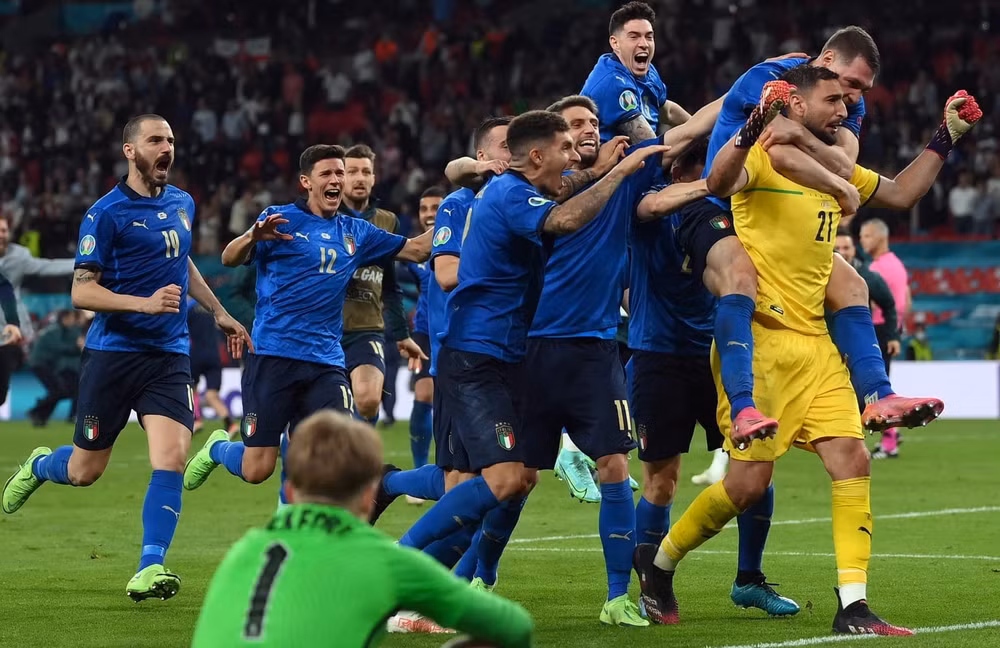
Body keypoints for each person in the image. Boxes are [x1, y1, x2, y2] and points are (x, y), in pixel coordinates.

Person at [633, 69, 980, 634]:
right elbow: (719, 180)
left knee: (853, 460)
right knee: (746, 487)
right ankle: (661, 563)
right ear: (794, 101)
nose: (844, 109)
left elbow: (902, 192)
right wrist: (752, 126)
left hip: (816, 346)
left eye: (847, 100)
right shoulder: (763, 156)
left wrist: (945, 137)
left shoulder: (830, 165)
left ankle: (853, 605)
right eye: (833, 99)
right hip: (762, 344)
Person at [396, 111, 666, 582]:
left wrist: (601, 168)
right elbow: (564, 218)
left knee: (515, 478)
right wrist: (620, 172)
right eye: (565, 147)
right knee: (493, 480)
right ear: (537, 156)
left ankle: (433, 572)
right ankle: (403, 554)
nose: (573, 156)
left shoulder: (520, 189)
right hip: (475, 355)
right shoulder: (507, 194)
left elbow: (563, 188)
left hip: (506, 357)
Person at [2, 114, 251, 601]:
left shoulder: (182, 203)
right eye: (156, 140)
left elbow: (182, 263)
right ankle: (40, 466)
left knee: (171, 458)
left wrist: (218, 311)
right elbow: (81, 292)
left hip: (168, 355)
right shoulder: (105, 214)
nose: (167, 147)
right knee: (85, 471)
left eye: (171, 140)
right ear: (130, 151)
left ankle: (150, 566)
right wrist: (143, 303)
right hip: (113, 355)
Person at [683, 25, 942, 480]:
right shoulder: (771, 77)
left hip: (773, 211)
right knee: (740, 275)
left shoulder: (844, 103)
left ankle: (878, 395)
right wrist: (836, 181)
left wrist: (944, 137)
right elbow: (774, 148)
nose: (855, 99)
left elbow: (846, 159)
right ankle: (743, 406)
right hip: (716, 204)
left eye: (862, 91)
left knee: (853, 285)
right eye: (850, 84)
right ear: (826, 62)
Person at [182, 145, 431, 498]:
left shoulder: (356, 232)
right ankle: (218, 449)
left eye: (340, 173)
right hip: (274, 358)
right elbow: (228, 258)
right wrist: (253, 236)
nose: (336, 179)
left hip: (326, 363)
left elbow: (418, 250)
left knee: (332, 459)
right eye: (327, 173)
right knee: (257, 469)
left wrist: (461, 209)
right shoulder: (279, 219)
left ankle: (308, 518)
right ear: (306, 182)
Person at [191, 409, 534, 648]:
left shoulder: (245, 550)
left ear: (291, 493)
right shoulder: (384, 562)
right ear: (368, 497)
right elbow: (516, 627)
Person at [629, 138, 799, 617]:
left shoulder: (732, 210)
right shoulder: (651, 204)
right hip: (659, 356)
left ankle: (749, 579)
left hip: (720, 354)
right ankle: (649, 585)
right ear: (685, 171)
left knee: (756, 467)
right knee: (661, 482)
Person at [340, 144, 425, 425]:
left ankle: (356, 449)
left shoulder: (387, 221)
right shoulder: (327, 217)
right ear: (340, 177)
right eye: (352, 171)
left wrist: (401, 334)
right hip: (326, 330)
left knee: (367, 401)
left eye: (365, 172)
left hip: (367, 329)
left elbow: (389, 283)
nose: (359, 178)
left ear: (374, 178)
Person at [580, 1, 690, 143]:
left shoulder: (648, 71)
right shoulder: (612, 83)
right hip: (610, 157)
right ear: (615, 43)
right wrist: (696, 133)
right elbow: (650, 147)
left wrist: (705, 134)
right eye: (634, 37)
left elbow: (667, 111)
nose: (644, 44)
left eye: (649, 37)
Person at [0, 214, 76, 402]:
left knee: (1, 393)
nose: (1, 235)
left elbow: (46, 267)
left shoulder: (18, 257)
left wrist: (84, 263)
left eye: (3, 230)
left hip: (9, 332)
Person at [404, 185, 445, 501]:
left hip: (455, 331)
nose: (429, 214)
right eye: (424, 209)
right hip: (424, 333)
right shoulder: (413, 253)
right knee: (424, 393)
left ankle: (448, 470)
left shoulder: (463, 239)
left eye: (436, 207)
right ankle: (420, 471)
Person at [859, 218, 910, 458]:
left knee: (876, 391)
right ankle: (890, 436)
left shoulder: (876, 269)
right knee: (880, 387)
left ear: (880, 237)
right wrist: (897, 330)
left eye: (867, 236)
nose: (862, 241)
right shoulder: (897, 265)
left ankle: (890, 441)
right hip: (890, 331)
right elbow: (906, 300)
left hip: (877, 330)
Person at [187, 296, 236, 435]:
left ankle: (197, 420)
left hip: (195, 354)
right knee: (212, 395)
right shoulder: (213, 308)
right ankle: (230, 424)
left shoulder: (189, 308)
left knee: (191, 389)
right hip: (215, 356)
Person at [26, 310, 83, 426]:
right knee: (58, 390)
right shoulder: (55, 331)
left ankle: (40, 415)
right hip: (41, 364)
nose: (73, 321)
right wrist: (77, 347)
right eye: (72, 318)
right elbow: (58, 348)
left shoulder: (60, 330)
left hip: (45, 364)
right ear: (64, 318)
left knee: (58, 391)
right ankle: (36, 411)